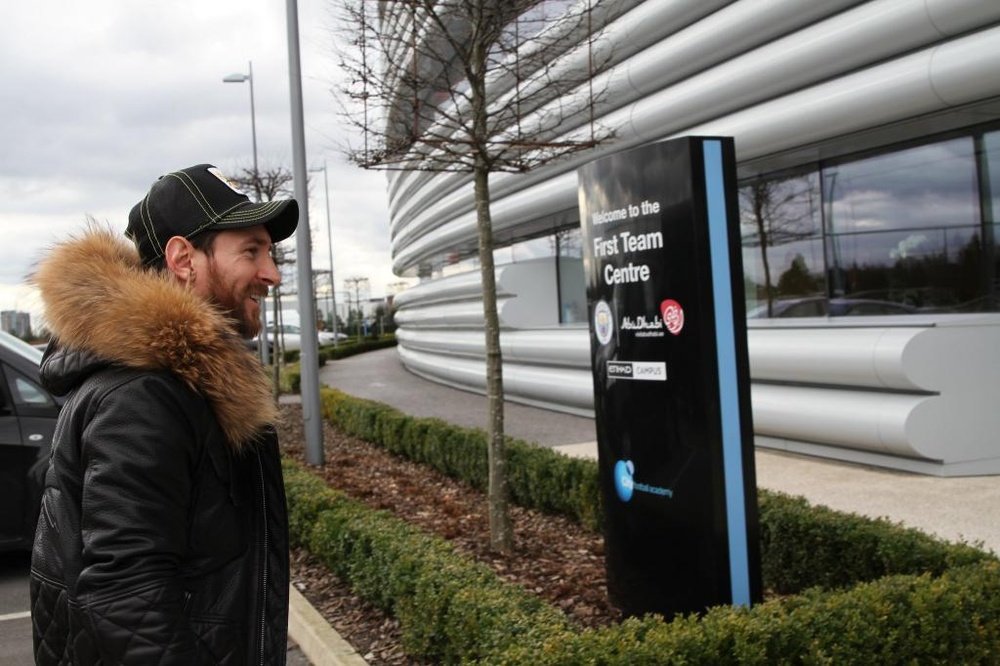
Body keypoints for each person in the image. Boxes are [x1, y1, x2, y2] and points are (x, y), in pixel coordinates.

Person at [29, 164, 298, 665]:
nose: (272, 274)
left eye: (270, 252)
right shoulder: (145, 397)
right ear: (182, 259)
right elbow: (125, 600)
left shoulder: (177, 385)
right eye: (251, 251)